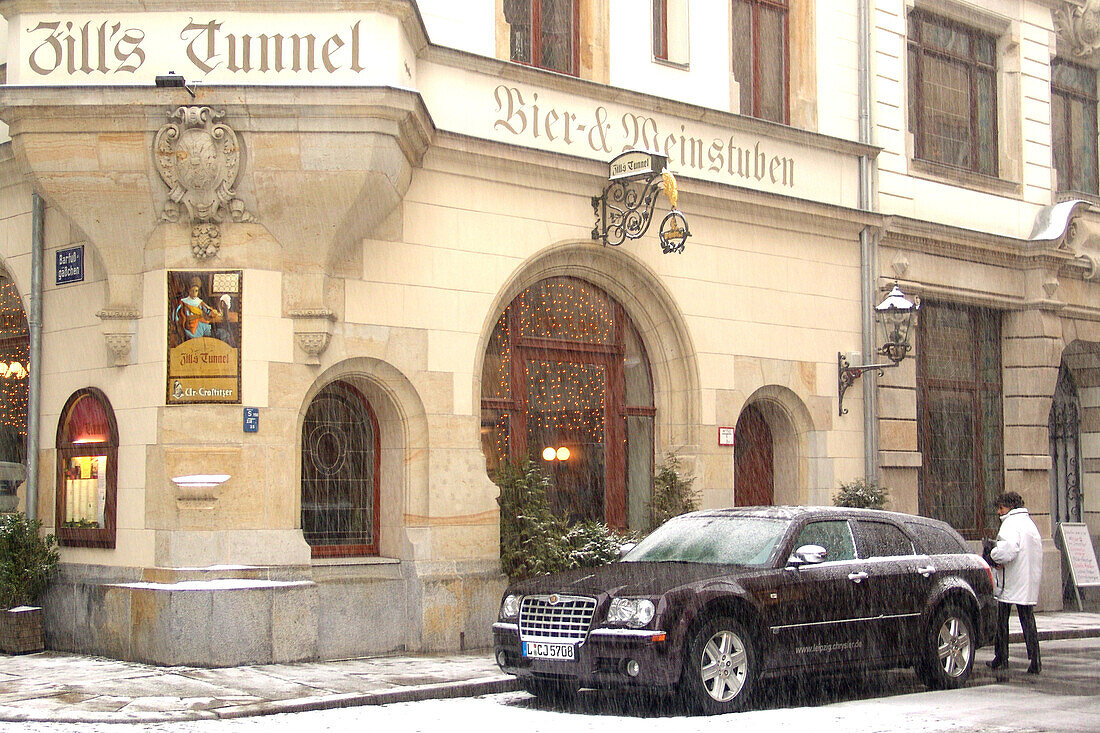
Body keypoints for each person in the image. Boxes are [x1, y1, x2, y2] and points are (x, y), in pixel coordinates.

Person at [985, 491, 1043, 674]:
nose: (999, 512)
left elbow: (1007, 550)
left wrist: (992, 556)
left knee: (1002, 619)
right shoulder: (1028, 523)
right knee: (1027, 620)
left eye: (1001, 508)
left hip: (1011, 580)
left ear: (1010, 507)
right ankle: (1035, 659)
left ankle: (1001, 657)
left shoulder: (1010, 524)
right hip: (1026, 579)